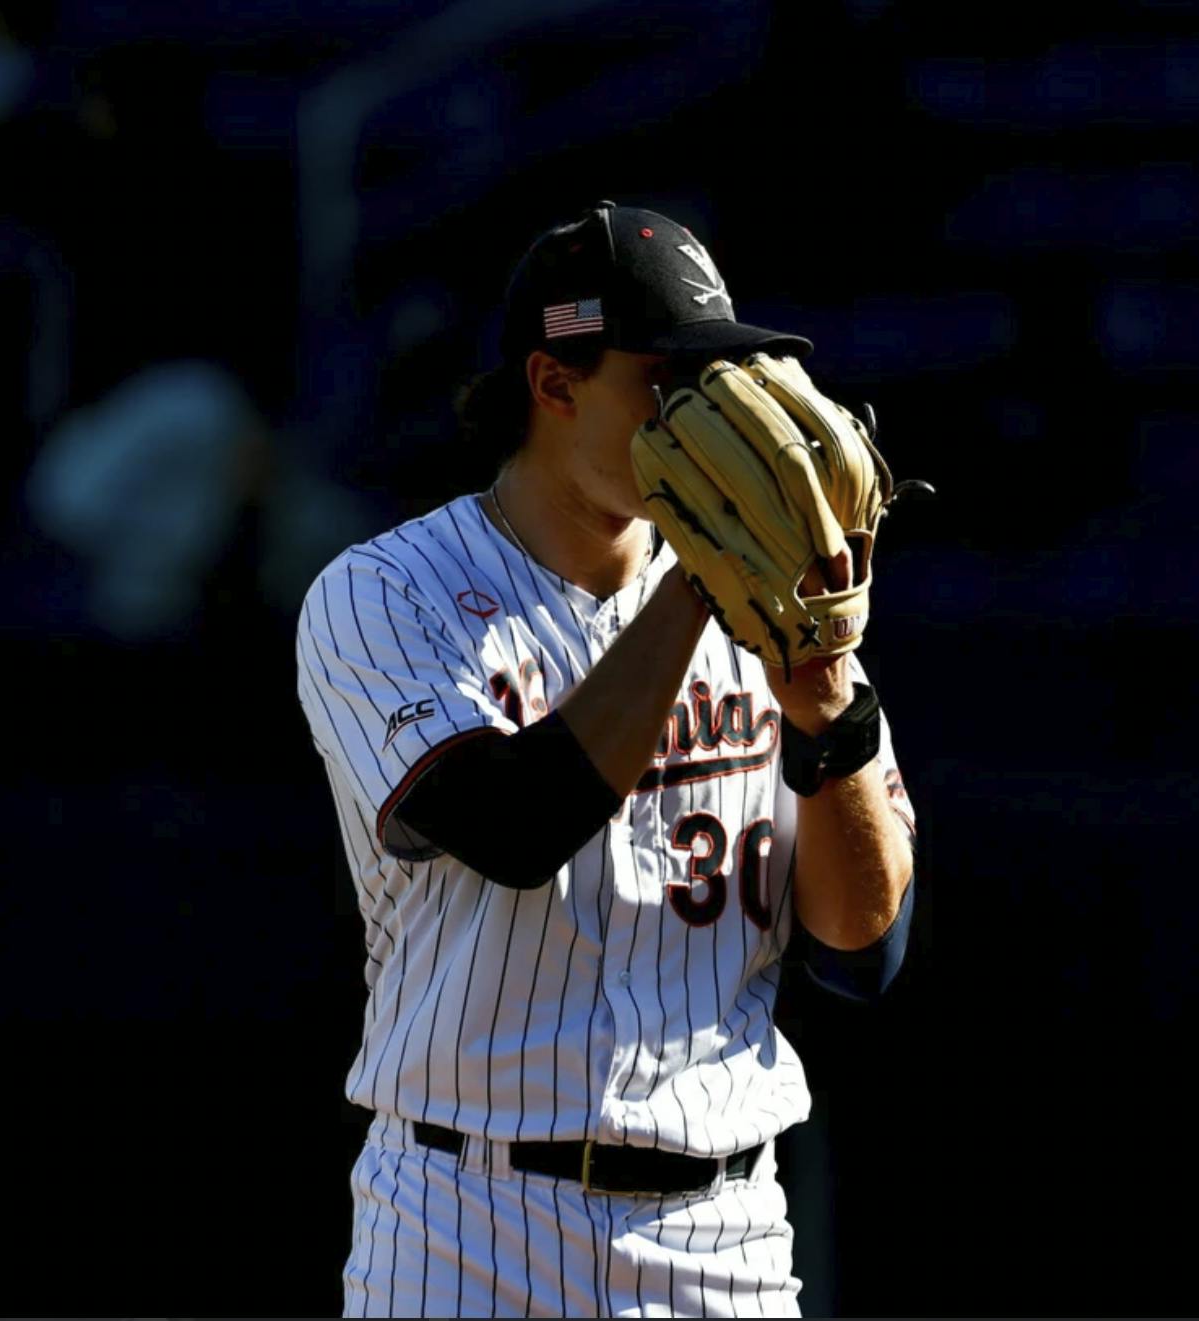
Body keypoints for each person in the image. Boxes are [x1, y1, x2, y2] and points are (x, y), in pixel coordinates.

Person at [294, 200, 919, 1317]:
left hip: (723, 1233)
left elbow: (862, 947)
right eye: (665, 384)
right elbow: (513, 826)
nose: (707, 418)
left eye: (714, 382)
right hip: (463, 1223)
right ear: (553, 382)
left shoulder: (763, 590)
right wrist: (700, 580)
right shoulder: (385, 592)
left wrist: (828, 705)